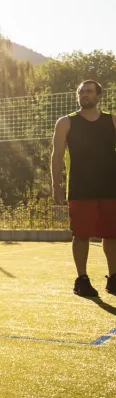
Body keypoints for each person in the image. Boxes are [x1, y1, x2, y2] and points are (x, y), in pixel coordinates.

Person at [51, 80, 116, 297]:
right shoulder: (66, 123)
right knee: (81, 235)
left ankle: (114, 277)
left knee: (112, 234)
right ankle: (82, 279)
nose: (84, 95)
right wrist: (56, 185)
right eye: (81, 92)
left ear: (98, 95)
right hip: (80, 188)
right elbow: (57, 156)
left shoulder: (113, 121)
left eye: (88, 92)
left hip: (110, 187)